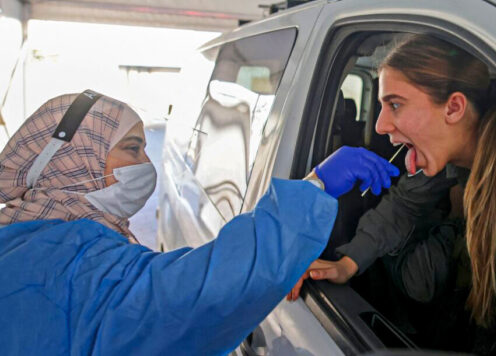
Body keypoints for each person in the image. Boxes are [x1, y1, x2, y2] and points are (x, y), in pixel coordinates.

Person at [0, 91, 398, 355]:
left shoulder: (21, 236)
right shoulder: (73, 261)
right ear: (80, 156)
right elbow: (204, 290)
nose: (147, 166)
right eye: (132, 149)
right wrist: (315, 187)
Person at [289, 34, 496, 355]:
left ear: (454, 107)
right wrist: (348, 262)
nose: (382, 125)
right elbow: (404, 205)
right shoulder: (445, 151)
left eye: (395, 104)